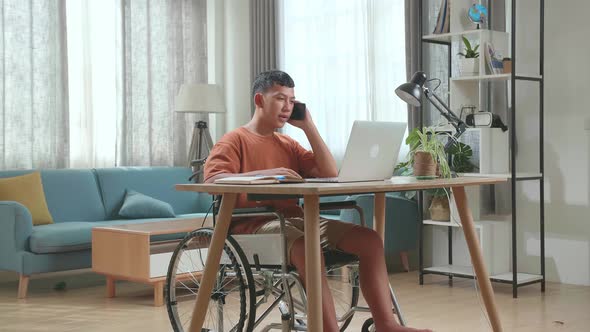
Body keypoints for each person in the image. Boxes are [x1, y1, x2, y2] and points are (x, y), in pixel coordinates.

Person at [204, 70, 431, 332]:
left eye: (292, 100)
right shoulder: (234, 140)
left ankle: (386, 324)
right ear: (259, 100)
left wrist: (309, 126)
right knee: (305, 246)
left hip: (297, 221)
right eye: (280, 99)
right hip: (252, 227)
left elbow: (328, 172)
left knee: (369, 240)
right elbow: (213, 180)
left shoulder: (287, 143)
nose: (287, 107)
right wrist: (268, 174)